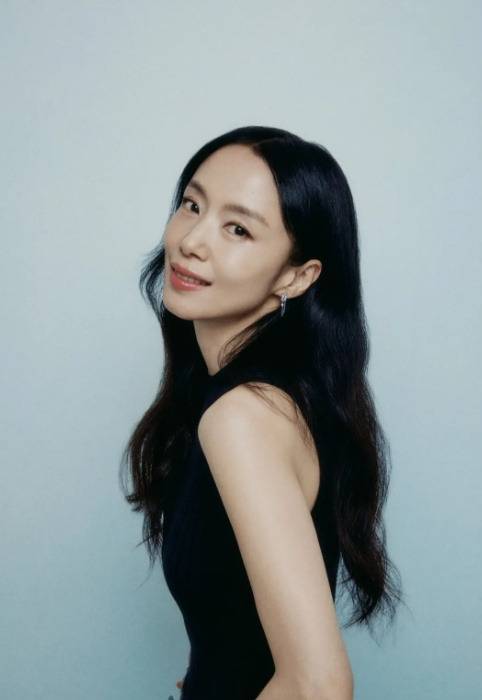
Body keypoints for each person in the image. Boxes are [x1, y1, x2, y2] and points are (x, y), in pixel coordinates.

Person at [120, 125, 404, 699]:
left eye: (238, 229)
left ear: (297, 276)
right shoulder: (276, 397)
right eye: (192, 205)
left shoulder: (243, 417)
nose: (192, 240)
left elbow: (318, 686)